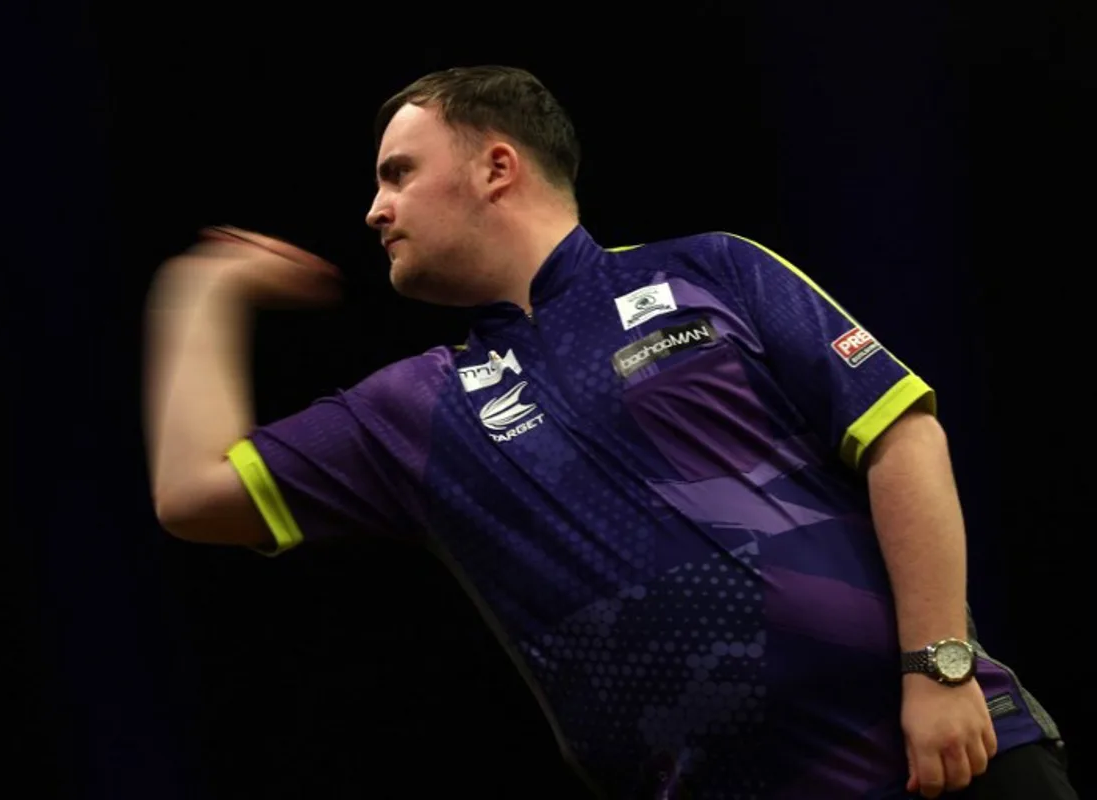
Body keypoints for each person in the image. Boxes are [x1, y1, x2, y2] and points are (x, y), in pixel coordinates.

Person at [143, 66, 1076, 799]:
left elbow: (904, 442)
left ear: (495, 166)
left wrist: (939, 669)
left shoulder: (716, 269)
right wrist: (202, 290)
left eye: (398, 174)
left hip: (948, 753)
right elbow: (191, 496)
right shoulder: (412, 410)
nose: (374, 209)